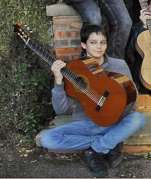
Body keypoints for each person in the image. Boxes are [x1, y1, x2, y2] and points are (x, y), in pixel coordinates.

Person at [40, 25, 145, 177]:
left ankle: (94, 150)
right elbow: (61, 110)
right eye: (93, 42)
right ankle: (110, 143)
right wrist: (58, 81)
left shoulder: (118, 65)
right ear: (83, 45)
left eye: (103, 42)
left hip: (112, 122)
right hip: (85, 124)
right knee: (47, 139)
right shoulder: (74, 70)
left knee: (138, 119)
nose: (99, 46)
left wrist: (119, 114)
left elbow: (132, 94)